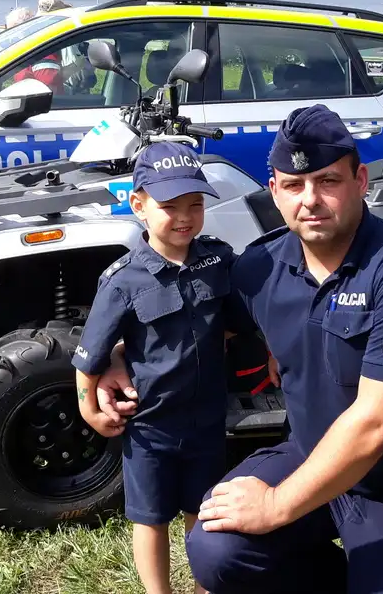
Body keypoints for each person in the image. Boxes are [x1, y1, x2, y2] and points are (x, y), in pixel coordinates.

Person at [98, 104, 383, 593]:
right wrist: (116, 358)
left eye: (328, 181)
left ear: (360, 181)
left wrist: (275, 506)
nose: (310, 200)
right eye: (294, 185)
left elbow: (375, 425)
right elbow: (191, 326)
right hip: (307, 452)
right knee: (216, 544)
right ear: (274, 191)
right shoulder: (259, 267)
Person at [72, 141, 241, 594]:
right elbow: (90, 355)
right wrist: (89, 407)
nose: (184, 217)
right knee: (150, 516)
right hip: (150, 426)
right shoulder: (123, 279)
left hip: (207, 420)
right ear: (139, 205)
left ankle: (205, 583)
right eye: (169, 206)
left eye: (195, 204)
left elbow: (240, 323)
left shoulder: (218, 261)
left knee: (203, 510)